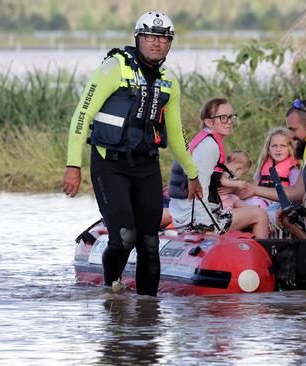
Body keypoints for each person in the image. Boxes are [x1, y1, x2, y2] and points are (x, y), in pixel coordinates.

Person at [61, 11, 202, 296]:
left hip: (146, 167)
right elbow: (81, 116)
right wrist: (72, 165)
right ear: (138, 39)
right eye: (150, 37)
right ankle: (111, 288)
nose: (157, 43)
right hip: (109, 165)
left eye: (163, 38)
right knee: (125, 236)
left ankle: (148, 314)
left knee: (149, 243)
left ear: (169, 44)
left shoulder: (169, 83)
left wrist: (193, 173)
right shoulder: (114, 68)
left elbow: (176, 135)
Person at [168, 97, 270, 239]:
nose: (229, 121)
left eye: (231, 117)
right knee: (259, 214)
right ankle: (261, 259)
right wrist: (205, 227)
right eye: (223, 118)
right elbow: (199, 187)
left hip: (185, 213)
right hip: (192, 220)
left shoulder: (205, 139)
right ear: (209, 122)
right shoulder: (209, 146)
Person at [239, 99, 306, 204]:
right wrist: (254, 189)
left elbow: (298, 193)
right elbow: (297, 190)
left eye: (293, 129)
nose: (290, 135)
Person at [244, 127, 300, 208]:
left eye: (283, 146)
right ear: (268, 149)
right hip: (260, 199)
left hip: (279, 204)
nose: (278, 149)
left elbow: (295, 193)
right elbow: (255, 184)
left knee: (255, 205)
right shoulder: (263, 165)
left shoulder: (293, 168)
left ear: (290, 148)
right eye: (274, 146)